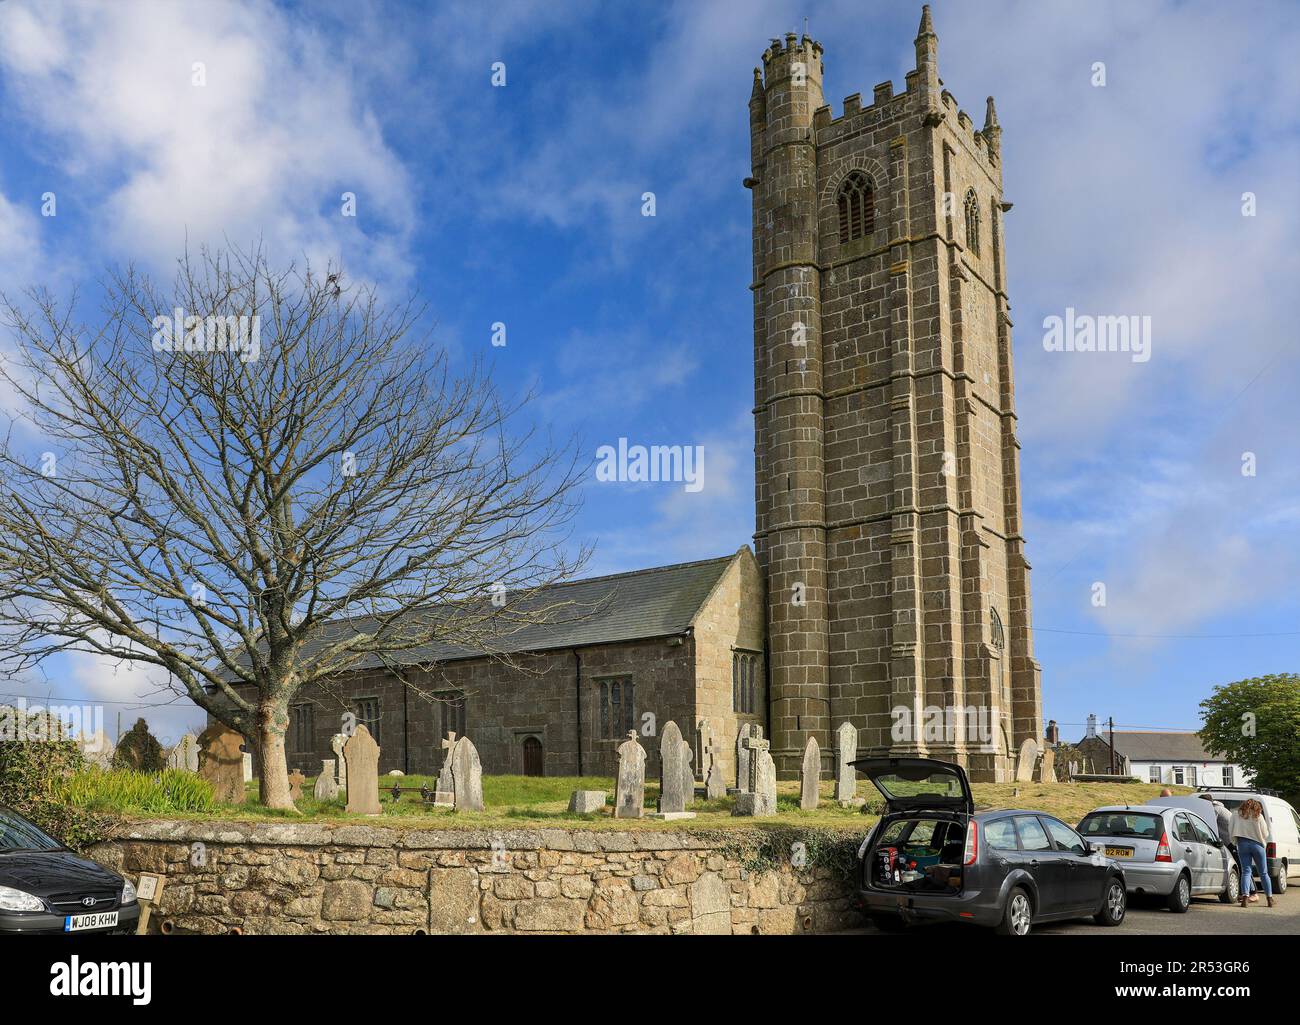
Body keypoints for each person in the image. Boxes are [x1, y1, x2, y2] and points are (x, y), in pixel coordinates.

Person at [1231, 798, 1274, 908]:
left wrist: (1234, 841)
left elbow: (1230, 829)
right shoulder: (1258, 816)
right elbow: (1265, 833)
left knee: (1246, 871)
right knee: (1263, 873)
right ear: (1256, 807)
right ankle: (1269, 899)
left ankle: (1245, 896)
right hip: (1257, 844)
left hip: (1242, 844)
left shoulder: (1236, 815)